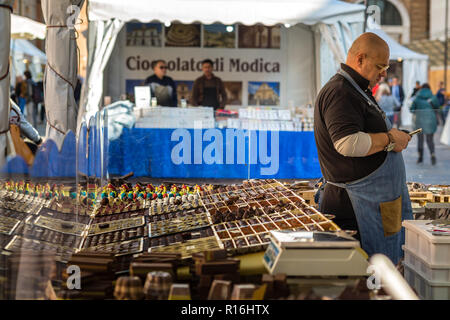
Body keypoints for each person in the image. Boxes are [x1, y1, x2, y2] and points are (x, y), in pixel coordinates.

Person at [314, 32, 412, 264]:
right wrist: (389, 138)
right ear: (360, 59)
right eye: (380, 66)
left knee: (381, 271)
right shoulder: (340, 91)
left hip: (375, 202)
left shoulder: (358, 89)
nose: (384, 73)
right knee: (362, 278)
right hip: (354, 208)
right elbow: (347, 143)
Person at [410, 83, 440, 165]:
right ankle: (432, 154)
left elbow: (412, 110)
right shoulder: (433, 97)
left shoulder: (416, 98)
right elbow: (438, 107)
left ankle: (420, 157)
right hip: (431, 121)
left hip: (419, 121)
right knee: (430, 140)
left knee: (420, 140)